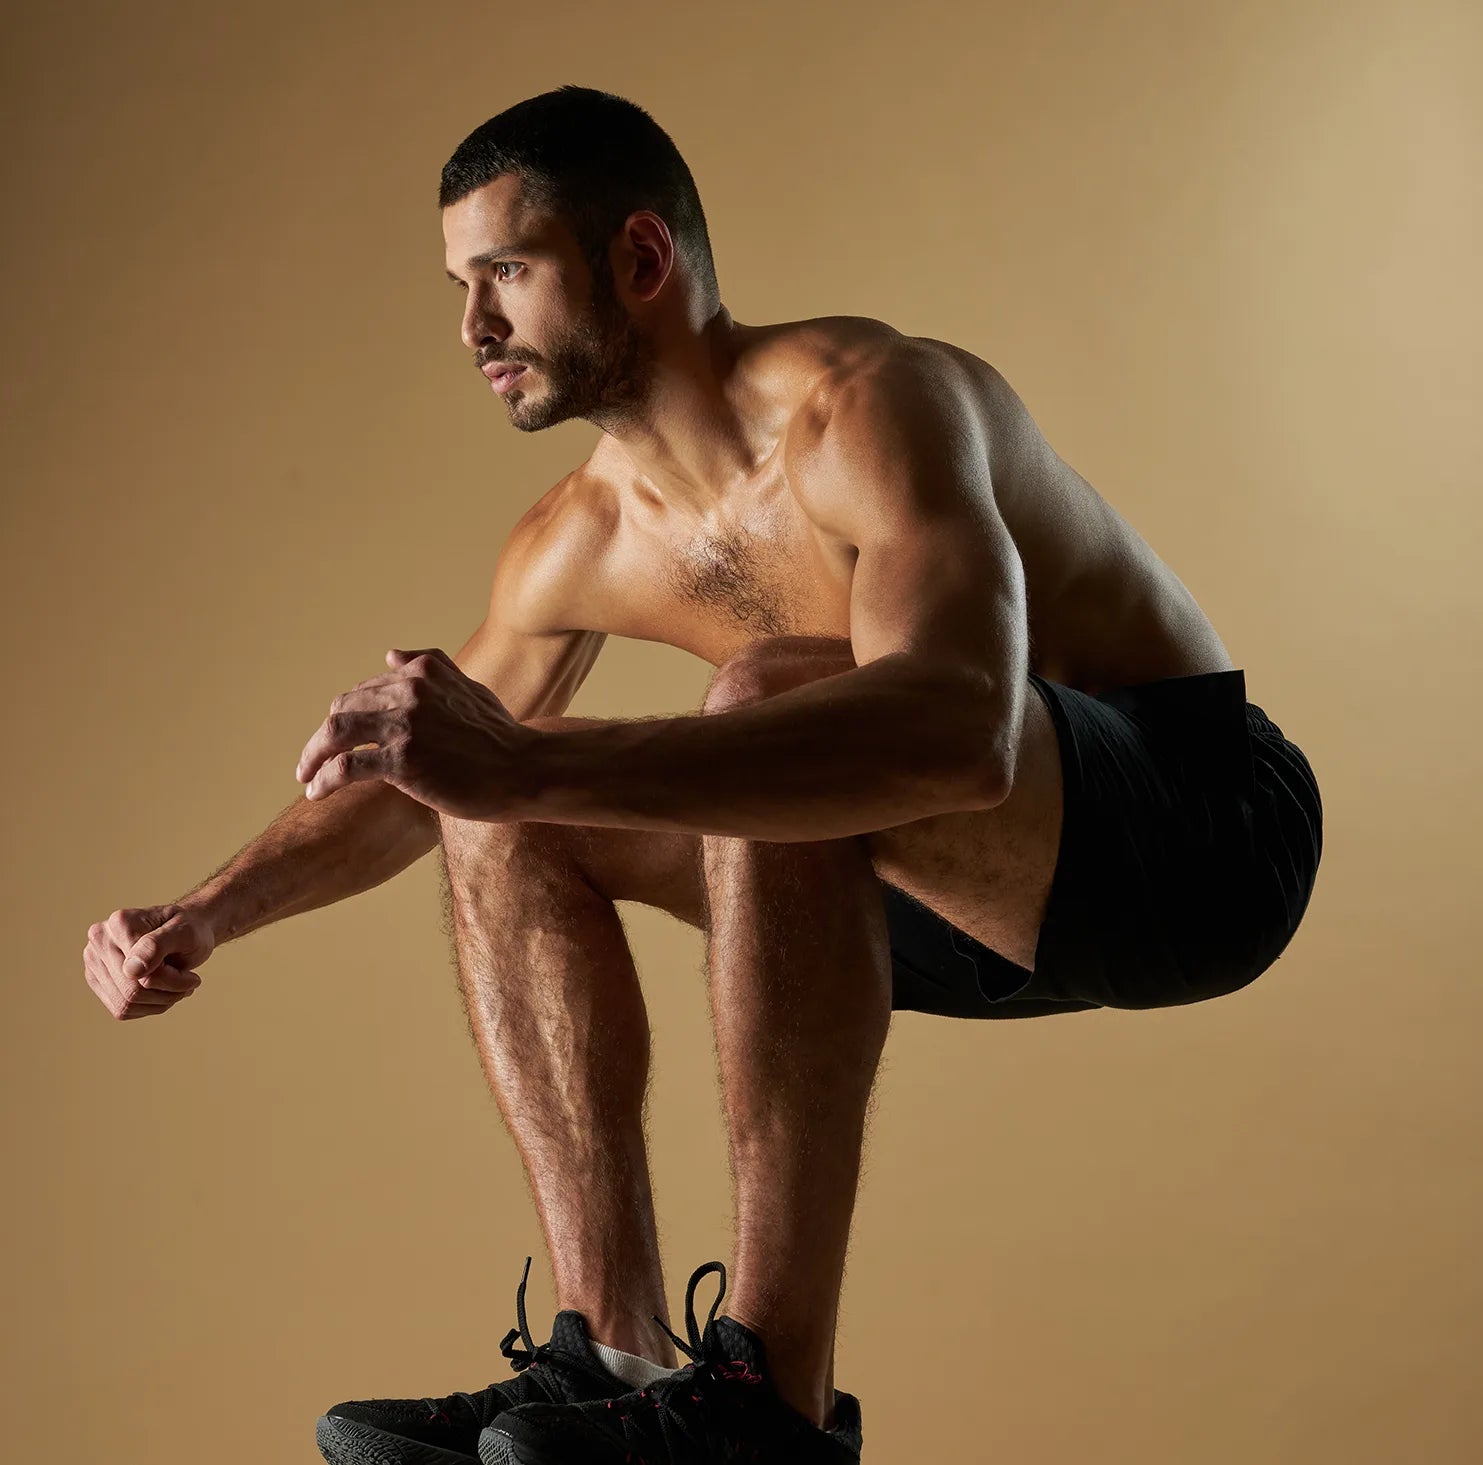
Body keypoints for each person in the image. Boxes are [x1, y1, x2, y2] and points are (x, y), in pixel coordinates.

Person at [81, 85, 1323, 1465]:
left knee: (749, 697)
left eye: (507, 271)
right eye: (459, 284)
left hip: (1195, 829)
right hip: (937, 892)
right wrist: (206, 913)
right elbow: (423, 782)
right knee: (503, 804)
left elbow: (962, 730)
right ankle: (604, 1353)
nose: (472, 326)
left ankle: (769, 1406)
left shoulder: (870, 406)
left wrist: (523, 754)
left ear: (640, 260)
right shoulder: (572, 541)